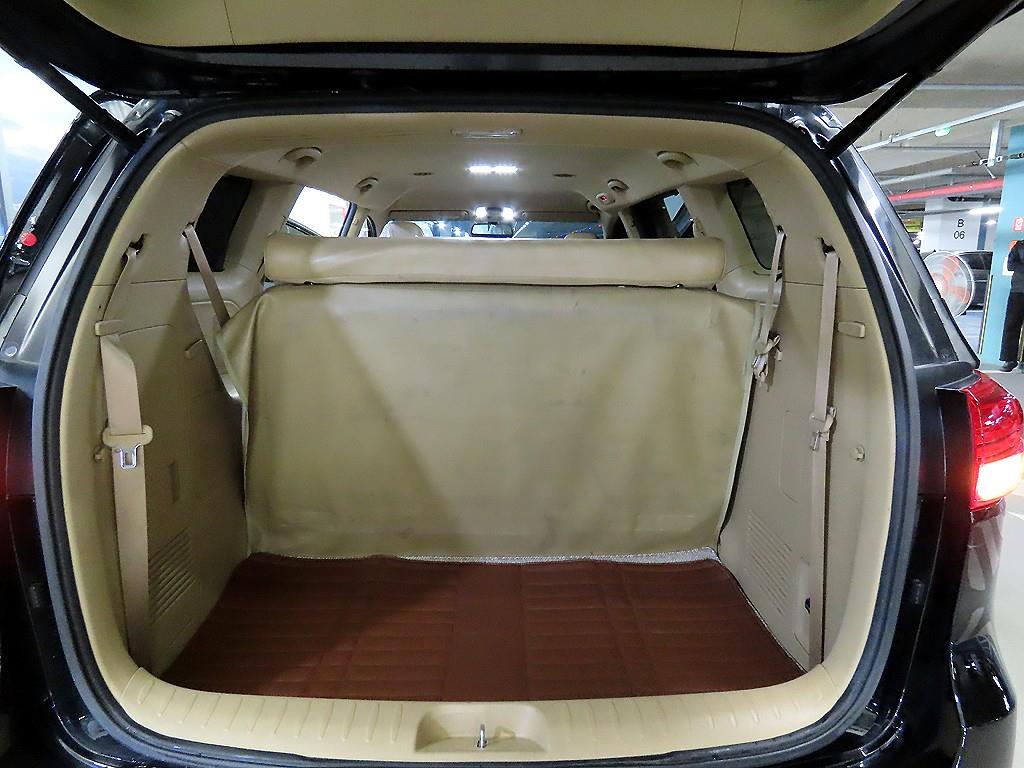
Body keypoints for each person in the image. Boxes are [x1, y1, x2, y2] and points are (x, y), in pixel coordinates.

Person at [1000, 239, 1024, 371]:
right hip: (1018, 291)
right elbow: (1010, 265)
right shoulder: (1020, 246)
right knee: (1011, 325)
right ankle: (1009, 359)